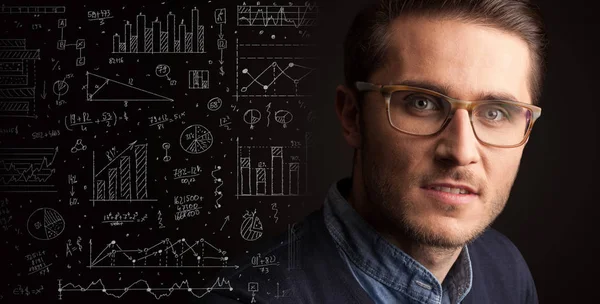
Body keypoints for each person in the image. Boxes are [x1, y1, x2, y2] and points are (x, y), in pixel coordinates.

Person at [200, 0, 547, 303]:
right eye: (421, 103)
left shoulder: (507, 269)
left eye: (495, 112)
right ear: (353, 116)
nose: (460, 151)